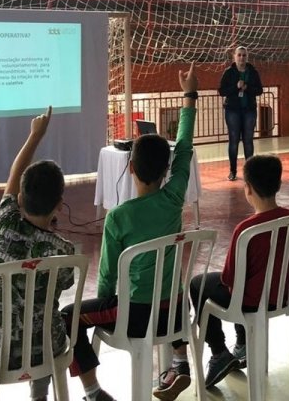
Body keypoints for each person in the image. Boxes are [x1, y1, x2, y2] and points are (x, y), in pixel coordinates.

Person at [58, 64, 198, 401]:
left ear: (130, 167)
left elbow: (107, 277)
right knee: (167, 287)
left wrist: (107, 298)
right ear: (167, 170)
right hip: (177, 311)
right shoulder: (175, 196)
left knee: (67, 316)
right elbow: (184, 147)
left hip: (137, 316)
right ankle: (180, 363)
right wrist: (189, 96)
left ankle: (92, 391)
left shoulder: (118, 217)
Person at [0, 107, 85, 401]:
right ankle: (39, 395)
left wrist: (36, 135)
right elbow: (62, 285)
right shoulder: (64, 251)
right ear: (60, 205)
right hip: (45, 349)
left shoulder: (4, 222)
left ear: (20, 199)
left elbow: (13, 176)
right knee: (46, 327)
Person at [184, 154, 289, 389]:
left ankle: (218, 352)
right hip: (283, 296)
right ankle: (242, 343)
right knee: (242, 282)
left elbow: (229, 278)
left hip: (251, 301)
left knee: (199, 284)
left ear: (248, 189)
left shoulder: (246, 229)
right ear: (278, 184)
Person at [218, 46, 264, 181]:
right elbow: (222, 91)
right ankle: (232, 171)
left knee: (248, 141)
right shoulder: (228, 72)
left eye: (244, 55)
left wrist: (247, 88)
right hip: (232, 110)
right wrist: (236, 87)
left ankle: (249, 172)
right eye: (239, 55)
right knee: (233, 141)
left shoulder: (253, 72)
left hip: (249, 110)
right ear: (234, 57)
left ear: (247, 57)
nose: (242, 58)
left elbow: (259, 90)